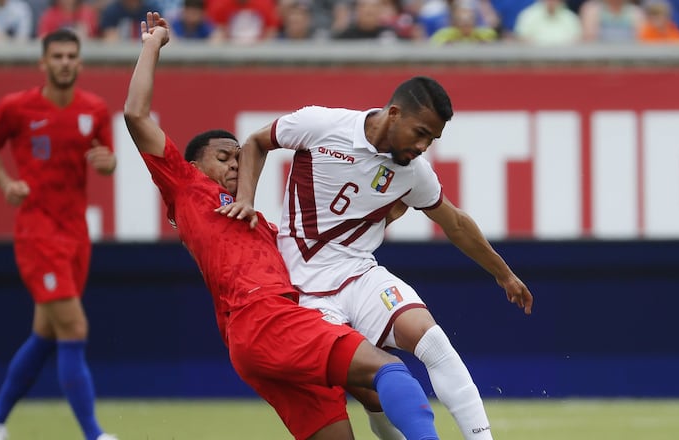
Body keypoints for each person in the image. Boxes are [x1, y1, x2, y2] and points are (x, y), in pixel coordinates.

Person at [125, 12, 441, 440]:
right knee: (389, 368)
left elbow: (322, 253)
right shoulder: (188, 188)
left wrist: (380, 212)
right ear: (194, 164)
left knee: (371, 392)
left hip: (277, 328)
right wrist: (152, 44)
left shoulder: (263, 225)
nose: (236, 165)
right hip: (264, 319)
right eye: (223, 158)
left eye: (239, 157)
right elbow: (135, 115)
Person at [220, 76, 535, 440]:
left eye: (431, 139)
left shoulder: (415, 172)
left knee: (431, 339)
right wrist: (245, 198)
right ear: (394, 113)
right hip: (302, 290)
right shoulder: (323, 125)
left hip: (359, 273)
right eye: (419, 133)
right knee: (372, 390)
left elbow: (456, 223)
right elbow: (256, 141)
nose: (422, 146)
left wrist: (504, 274)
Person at [0, 29, 117, 440]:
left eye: (72, 55)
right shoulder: (17, 107)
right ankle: (94, 434)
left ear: (81, 62)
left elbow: (107, 163)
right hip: (37, 231)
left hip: (75, 233)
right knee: (74, 328)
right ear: (43, 62)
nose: (65, 62)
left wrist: (108, 164)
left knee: (46, 333)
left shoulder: (95, 108)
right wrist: (5, 183)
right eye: (57, 56)